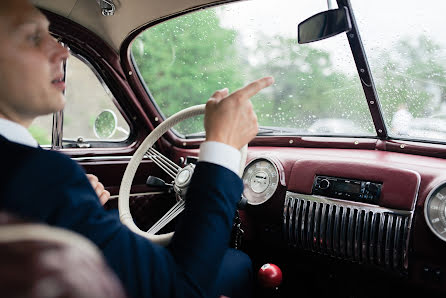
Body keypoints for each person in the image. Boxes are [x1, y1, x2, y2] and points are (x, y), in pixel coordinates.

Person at [0, 0, 274, 297]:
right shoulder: (38, 174)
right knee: (239, 261)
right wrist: (222, 146)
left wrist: (76, 208)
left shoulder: (39, 184)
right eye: (32, 38)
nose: (63, 51)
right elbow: (179, 285)